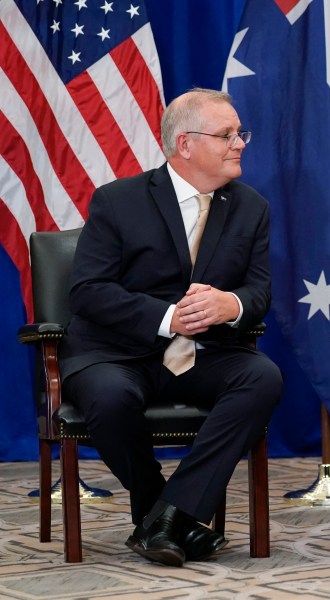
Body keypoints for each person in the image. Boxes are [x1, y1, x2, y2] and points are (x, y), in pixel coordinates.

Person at [59, 88, 283, 567]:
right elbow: (87, 291)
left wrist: (231, 304)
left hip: (205, 352)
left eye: (240, 133)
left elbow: (259, 293)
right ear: (185, 144)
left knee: (262, 376)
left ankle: (167, 517)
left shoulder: (251, 207)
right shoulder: (118, 201)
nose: (240, 143)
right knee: (112, 396)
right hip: (116, 351)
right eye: (227, 135)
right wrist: (167, 318)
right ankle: (160, 513)